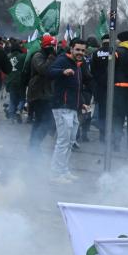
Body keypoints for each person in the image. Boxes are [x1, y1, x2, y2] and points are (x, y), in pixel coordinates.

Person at [48, 38, 91, 182]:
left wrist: (82, 104)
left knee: (71, 141)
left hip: (72, 108)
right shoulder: (62, 60)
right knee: (63, 141)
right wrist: (62, 71)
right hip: (62, 107)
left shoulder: (78, 65)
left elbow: (76, 89)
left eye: (83, 50)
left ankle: (63, 170)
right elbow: (50, 72)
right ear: (71, 49)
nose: (80, 53)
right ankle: (55, 174)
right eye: (78, 49)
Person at [26, 35, 57, 148]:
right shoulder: (38, 56)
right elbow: (43, 70)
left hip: (47, 93)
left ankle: (34, 145)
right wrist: (51, 58)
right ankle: (34, 145)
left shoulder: (52, 56)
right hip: (38, 94)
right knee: (42, 121)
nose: (53, 48)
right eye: (51, 46)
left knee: (44, 121)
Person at [4, 41, 27, 123]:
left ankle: (11, 118)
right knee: (22, 98)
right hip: (20, 80)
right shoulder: (23, 56)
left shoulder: (8, 56)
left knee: (12, 99)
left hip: (11, 81)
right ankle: (18, 110)